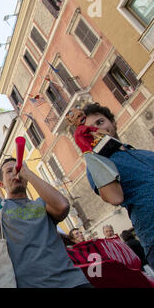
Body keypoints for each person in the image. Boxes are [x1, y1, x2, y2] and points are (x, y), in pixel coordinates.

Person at [0, 158, 91, 288]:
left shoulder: (42, 204)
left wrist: (28, 173)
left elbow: (62, 206)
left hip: (72, 282)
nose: (15, 172)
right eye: (9, 171)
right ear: (1, 184)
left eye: (18, 169)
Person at [82, 102, 154, 269]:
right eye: (89, 130)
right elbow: (115, 197)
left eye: (100, 122)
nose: (97, 130)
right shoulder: (97, 165)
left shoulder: (145, 153)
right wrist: (88, 150)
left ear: (112, 122)